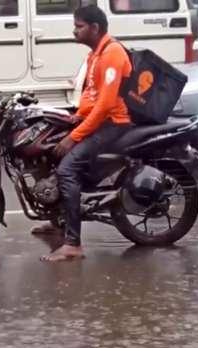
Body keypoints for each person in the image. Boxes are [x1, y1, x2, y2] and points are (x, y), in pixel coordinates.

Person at [36, 5, 132, 262]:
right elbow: (93, 97)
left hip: (113, 123)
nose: (74, 30)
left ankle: (73, 245)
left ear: (94, 28)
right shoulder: (96, 54)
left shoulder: (112, 54)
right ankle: (58, 221)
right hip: (97, 120)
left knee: (67, 169)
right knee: (49, 153)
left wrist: (74, 135)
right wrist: (74, 116)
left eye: (79, 26)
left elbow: (106, 105)